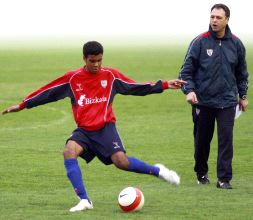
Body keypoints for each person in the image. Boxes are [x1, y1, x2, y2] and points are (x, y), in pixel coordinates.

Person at [2, 41, 186, 212]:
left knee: (121, 162)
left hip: (105, 128)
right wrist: (23, 105)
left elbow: (134, 87)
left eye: (99, 60)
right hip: (84, 131)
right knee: (69, 151)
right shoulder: (72, 79)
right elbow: (48, 92)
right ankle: (84, 200)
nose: (96, 64)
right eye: (92, 61)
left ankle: (159, 171)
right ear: (84, 59)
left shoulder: (111, 76)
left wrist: (164, 85)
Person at [179, 4, 249, 189]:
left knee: (226, 139)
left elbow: (242, 74)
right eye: (212, 17)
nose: (214, 20)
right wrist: (190, 91)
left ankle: (224, 179)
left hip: (227, 102)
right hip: (203, 101)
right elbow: (185, 72)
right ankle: (201, 172)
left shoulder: (236, 44)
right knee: (202, 140)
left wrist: (242, 96)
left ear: (227, 20)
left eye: (218, 17)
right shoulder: (199, 42)